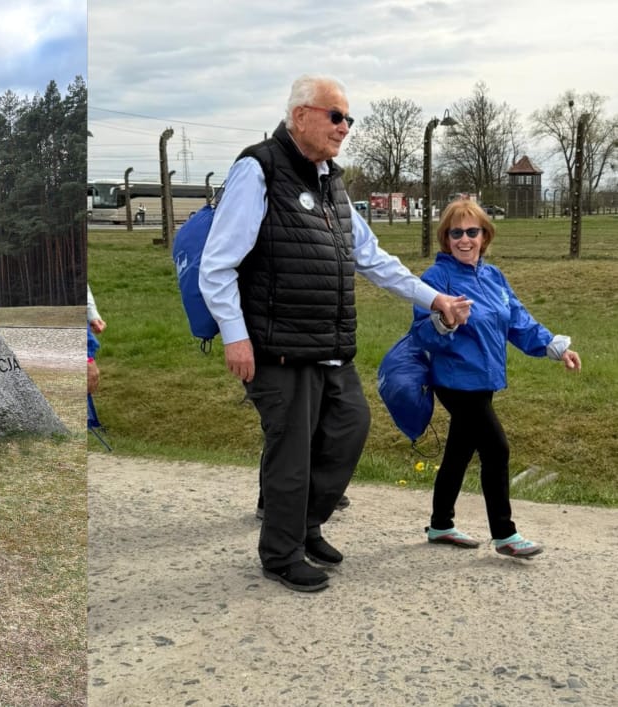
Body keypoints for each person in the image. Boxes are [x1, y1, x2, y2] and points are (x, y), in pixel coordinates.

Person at [200, 74, 472, 593]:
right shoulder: (258, 170)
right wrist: (234, 336)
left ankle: (305, 526)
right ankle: (281, 553)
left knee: (348, 430)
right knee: (292, 452)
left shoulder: (331, 182)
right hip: (276, 346)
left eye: (348, 118)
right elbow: (216, 265)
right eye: (335, 115)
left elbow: (370, 257)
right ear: (300, 115)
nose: (345, 127)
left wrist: (432, 297)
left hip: (328, 344)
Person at [411, 199, 580, 557]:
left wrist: (554, 346)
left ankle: (440, 524)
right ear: (446, 238)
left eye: (472, 231)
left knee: (459, 451)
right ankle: (504, 534)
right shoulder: (436, 278)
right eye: (456, 232)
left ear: (485, 236)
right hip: (455, 382)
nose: (464, 239)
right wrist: (445, 320)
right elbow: (421, 335)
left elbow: (518, 320)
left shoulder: (492, 276)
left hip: (484, 380)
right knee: (496, 449)